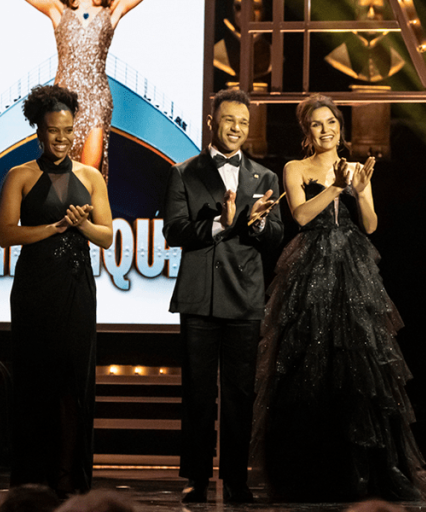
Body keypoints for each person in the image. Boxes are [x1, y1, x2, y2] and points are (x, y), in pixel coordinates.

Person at [251, 94, 426, 503]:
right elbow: (301, 217)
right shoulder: (295, 168)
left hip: (352, 263)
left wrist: (358, 191)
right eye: (318, 125)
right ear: (307, 132)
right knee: (308, 362)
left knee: (358, 363)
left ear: (341, 128)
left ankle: (361, 471)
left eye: (332, 123)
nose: (326, 130)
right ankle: (307, 469)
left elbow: (373, 226)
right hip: (310, 265)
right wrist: (336, 188)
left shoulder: (358, 169)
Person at [163, 88, 283, 504]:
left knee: (239, 395)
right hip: (199, 296)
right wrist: (220, 223)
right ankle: (196, 477)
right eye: (230, 120)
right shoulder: (184, 172)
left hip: (244, 296)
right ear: (213, 122)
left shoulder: (265, 178)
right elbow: (173, 230)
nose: (237, 129)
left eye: (244, 123)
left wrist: (255, 224)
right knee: (197, 393)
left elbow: (276, 236)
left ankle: (236, 479)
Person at [0, 85, 114, 496]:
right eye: (53, 131)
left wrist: (80, 225)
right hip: (34, 290)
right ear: (38, 130)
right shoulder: (20, 176)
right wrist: (55, 227)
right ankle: (33, 481)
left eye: (67, 130)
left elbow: (107, 237)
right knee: (36, 384)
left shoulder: (90, 176)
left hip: (77, 290)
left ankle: (69, 479)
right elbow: (5, 234)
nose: (61, 138)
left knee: (72, 385)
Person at [25, 0, 144, 181]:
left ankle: (86, 208)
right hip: (63, 102)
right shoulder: (58, 9)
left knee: (90, 173)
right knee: (61, 173)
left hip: (97, 98)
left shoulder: (111, 9)